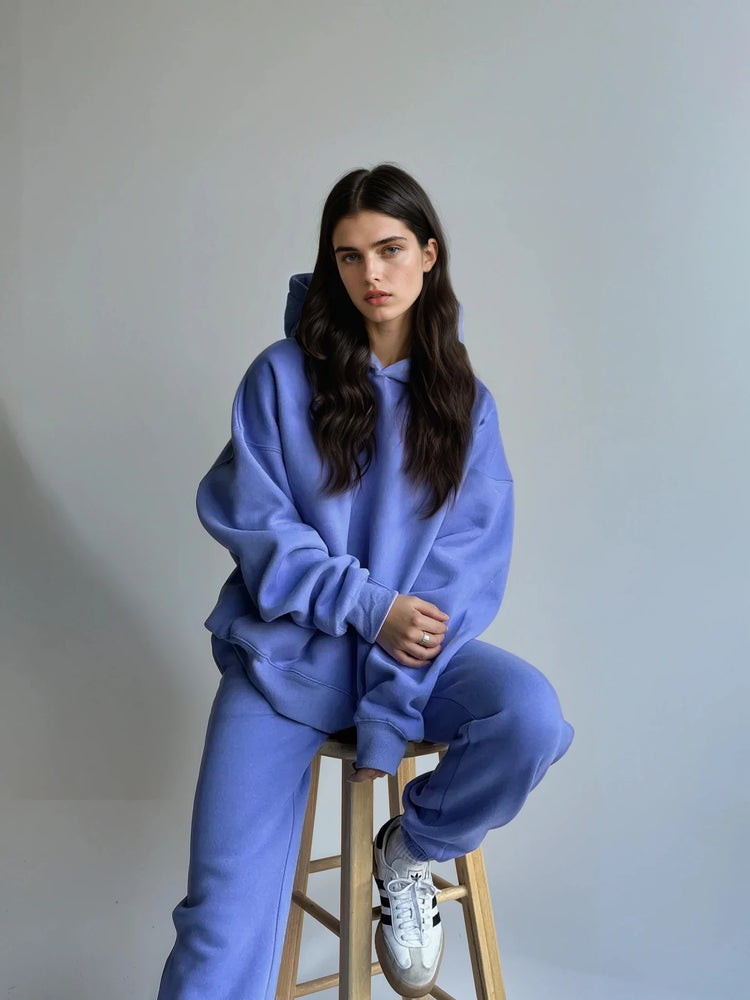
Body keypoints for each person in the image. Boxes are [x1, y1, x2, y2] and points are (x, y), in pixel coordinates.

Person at [157, 163, 574, 1000]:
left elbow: (464, 565)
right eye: (348, 256)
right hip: (287, 664)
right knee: (220, 919)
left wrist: (391, 685)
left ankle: (410, 851)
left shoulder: (466, 404)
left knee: (528, 715)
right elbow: (259, 527)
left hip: (415, 660)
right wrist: (369, 608)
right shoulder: (279, 377)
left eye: (389, 249)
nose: (371, 274)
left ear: (428, 254)